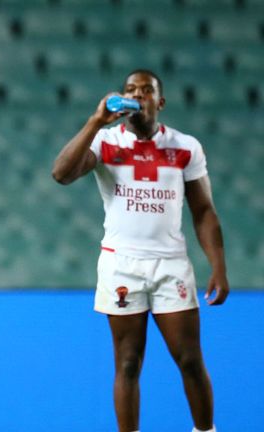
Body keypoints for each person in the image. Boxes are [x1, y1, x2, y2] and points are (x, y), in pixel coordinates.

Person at [51, 70, 229, 432]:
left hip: (170, 265)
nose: (137, 95)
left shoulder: (185, 146)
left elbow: (204, 211)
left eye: (147, 90)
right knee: (128, 364)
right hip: (121, 265)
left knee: (190, 359)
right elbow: (61, 173)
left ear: (159, 102)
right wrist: (94, 121)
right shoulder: (104, 142)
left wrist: (218, 266)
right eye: (130, 89)